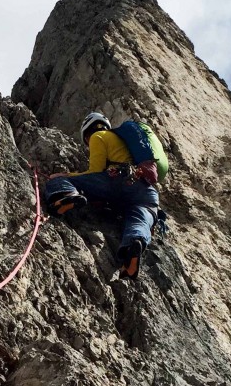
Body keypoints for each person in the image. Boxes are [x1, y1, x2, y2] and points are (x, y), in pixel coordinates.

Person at [45, 112, 159, 279]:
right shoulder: (125, 142)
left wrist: (66, 175)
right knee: (139, 219)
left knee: (59, 180)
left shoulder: (98, 136)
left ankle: (67, 194)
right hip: (147, 192)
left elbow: (96, 171)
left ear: (87, 134)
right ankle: (134, 243)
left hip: (118, 179)